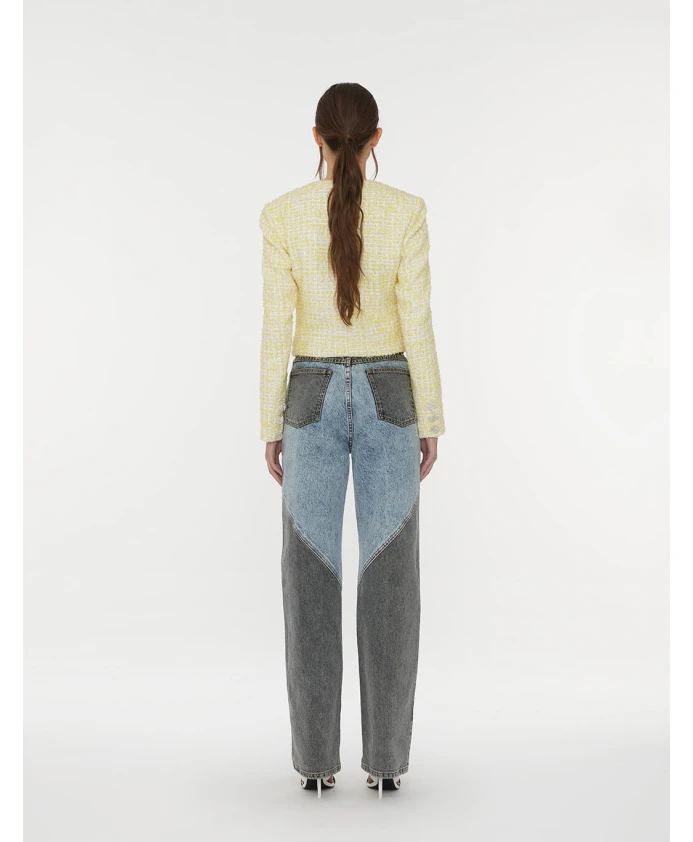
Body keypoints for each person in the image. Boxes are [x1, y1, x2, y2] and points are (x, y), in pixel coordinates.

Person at [258, 82, 445, 799]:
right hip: (390, 395)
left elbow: (277, 327)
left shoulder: (280, 215)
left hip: (306, 395)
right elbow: (416, 321)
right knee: (391, 578)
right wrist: (429, 418)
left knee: (308, 578)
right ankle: (387, 763)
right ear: (375, 140)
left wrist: (269, 425)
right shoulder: (407, 211)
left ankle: (314, 764)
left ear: (316, 138)